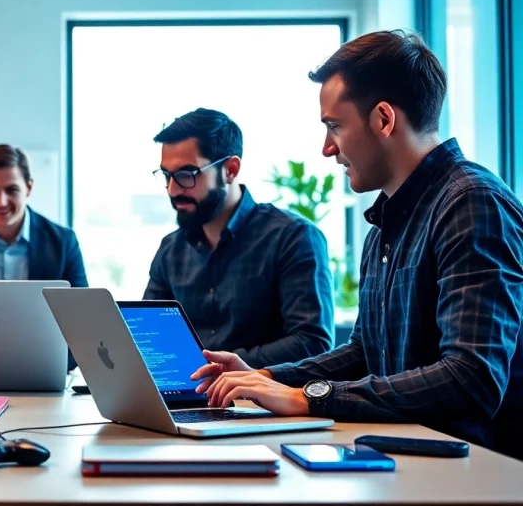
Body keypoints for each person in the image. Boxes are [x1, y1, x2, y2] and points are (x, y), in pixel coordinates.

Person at [192, 30, 523, 460]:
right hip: (404, 459)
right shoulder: (386, 222)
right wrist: (265, 376)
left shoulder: (472, 204)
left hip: (474, 472)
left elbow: (471, 379)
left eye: (334, 126)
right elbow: (366, 352)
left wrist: (309, 398)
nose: (328, 148)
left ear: (384, 119)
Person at [145, 108, 334, 368]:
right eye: (166, 175)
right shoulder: (170, 249)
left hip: (268, 404)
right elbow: (149, 337)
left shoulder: (292, 237)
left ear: (230, 170)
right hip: (190, 397)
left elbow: (313, 342)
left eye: (186, 175)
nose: (172, 189)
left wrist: (225, 368)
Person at [0, 144, 89, 369]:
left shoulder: (63, 242)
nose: (1, 201)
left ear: (29, 188)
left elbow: (83, 321)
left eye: (11, 190)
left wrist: (58, 367)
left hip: (43, 367)